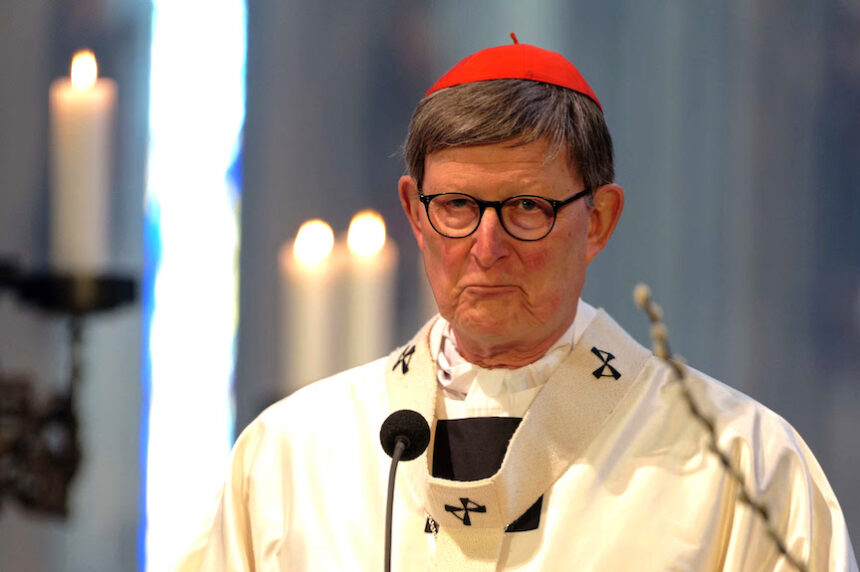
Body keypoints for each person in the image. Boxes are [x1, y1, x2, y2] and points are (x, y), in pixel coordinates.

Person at [176, 37, 857, 571]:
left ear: (598, 220)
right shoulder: (293, 455)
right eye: (457, 207)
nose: (486, 245)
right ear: (415, 213)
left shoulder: (742, 466)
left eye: (527, 207)